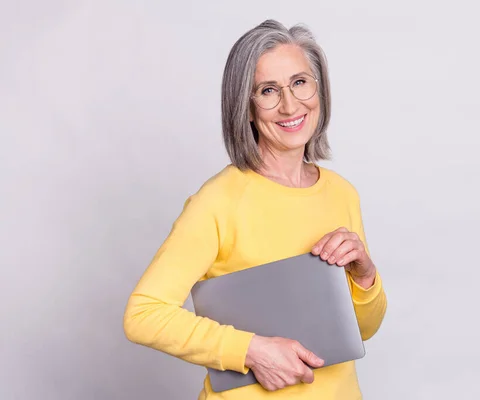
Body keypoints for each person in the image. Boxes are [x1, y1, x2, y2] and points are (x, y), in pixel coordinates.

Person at [123, 19, 387, 400]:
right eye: (268, 90)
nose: (290, 104)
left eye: (300, 82)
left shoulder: (342, 193)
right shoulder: (218, 200)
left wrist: (365, 276)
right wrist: (250, 350)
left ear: (320, 89)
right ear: (245, 108)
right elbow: (142, 315)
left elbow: (360, 331)